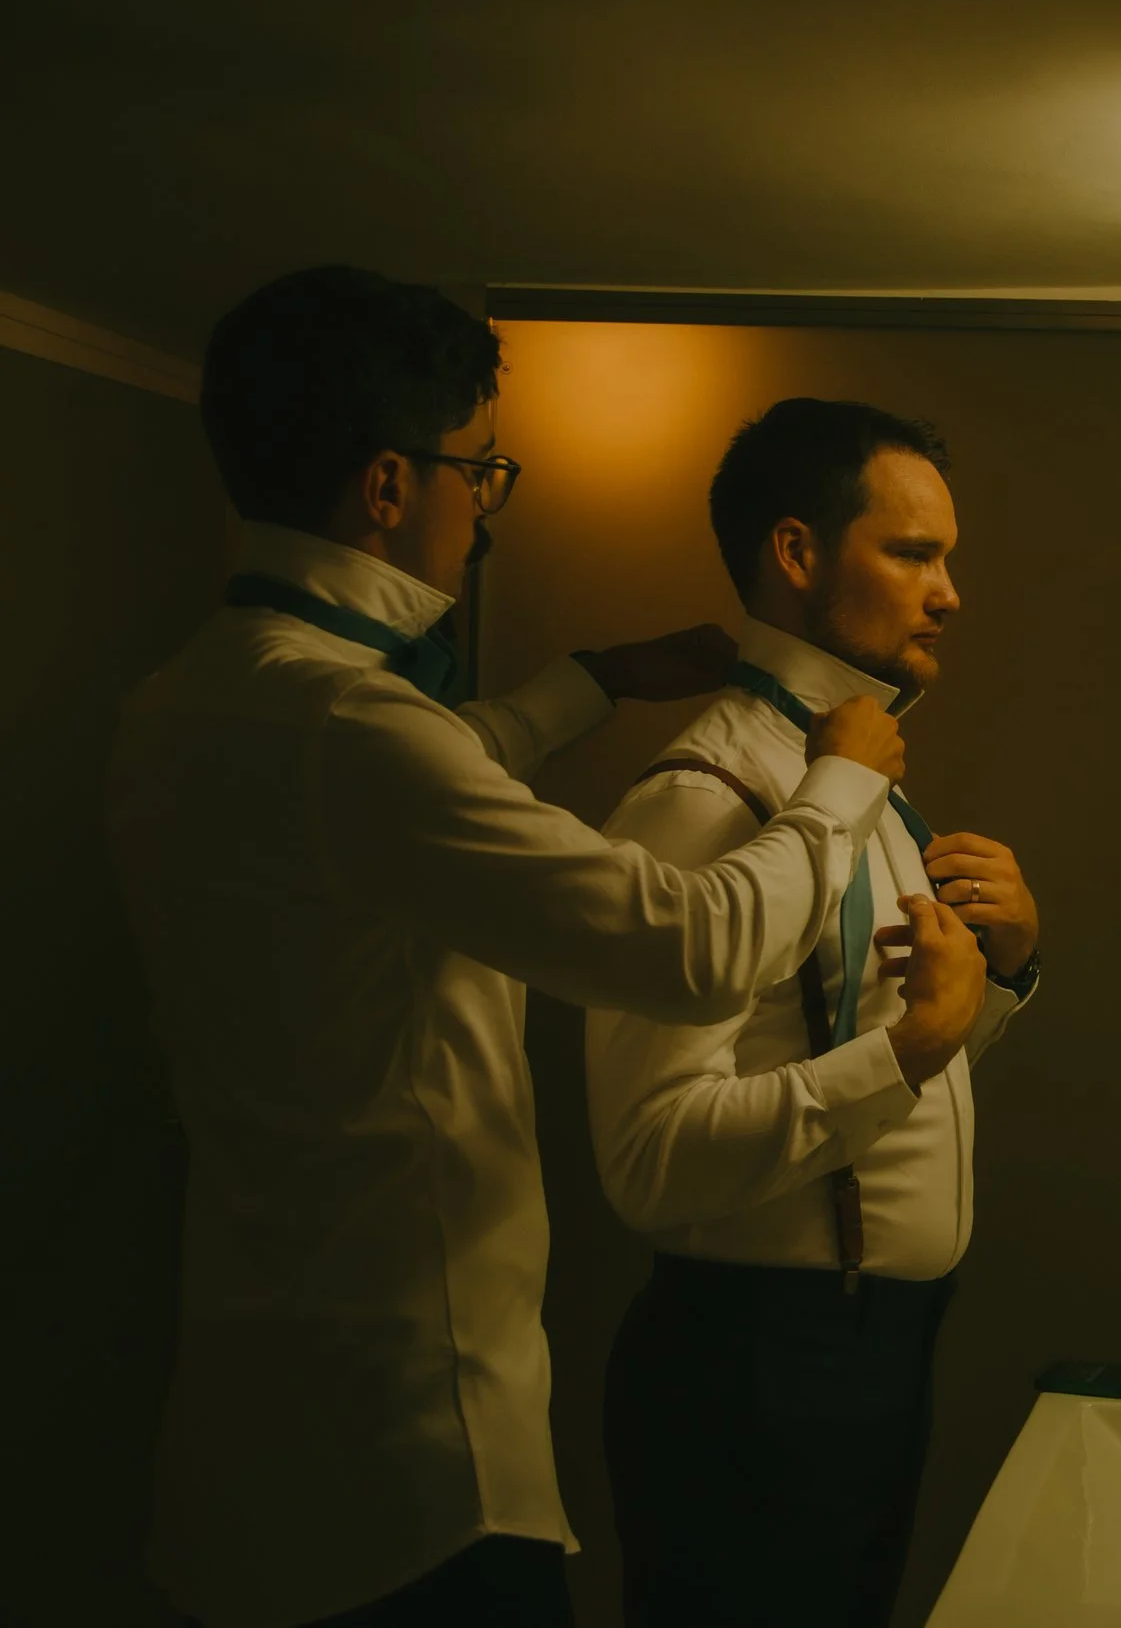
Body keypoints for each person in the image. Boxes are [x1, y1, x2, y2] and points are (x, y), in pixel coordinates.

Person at [111, 267, 907, 1628]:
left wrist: (586, 683)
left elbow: (405, 796)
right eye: (478, 471)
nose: (483, 507)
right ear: (384, 486)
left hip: (240, 1432)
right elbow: (691, 948)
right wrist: (843, 779)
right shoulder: (357, 734)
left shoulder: (184, 702)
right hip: (414, 1457)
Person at [585, 400, 1041, 1628]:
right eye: (912, 554)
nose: (949, 592)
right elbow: (649, 1157)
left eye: (947, 556)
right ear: (797, 554)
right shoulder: (704, 800)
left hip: (871, 1357)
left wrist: (993, 984)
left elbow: (885, 1071)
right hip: (753, 1377)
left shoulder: (865, 782)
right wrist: (915, 1047)